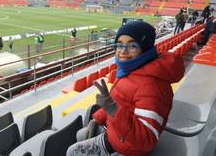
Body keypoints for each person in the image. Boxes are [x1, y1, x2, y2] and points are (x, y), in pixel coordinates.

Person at [66, 21, 185, 156]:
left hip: (126, 147)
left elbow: (146, 139)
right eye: (119, 45)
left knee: (72, 151)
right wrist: (97, 119)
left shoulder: (152, 86)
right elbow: (120, 103)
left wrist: (112, 108)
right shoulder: (133, 69)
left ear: (145, 48)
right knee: (80, 135)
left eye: (132, 45)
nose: (123, 51)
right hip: (117, 132)